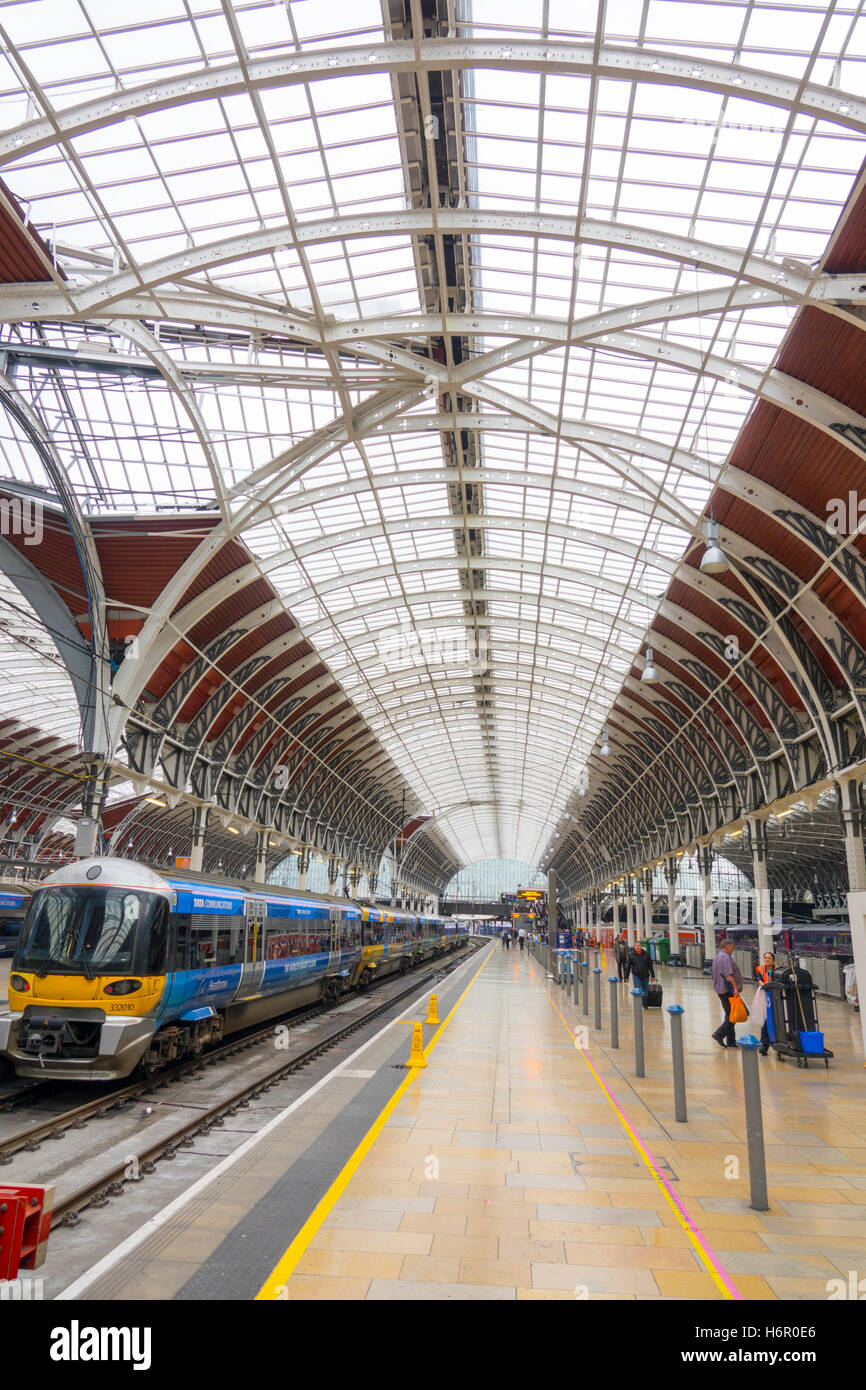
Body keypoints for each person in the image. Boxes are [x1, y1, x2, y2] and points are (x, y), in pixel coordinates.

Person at [711, 939, 744, 1049]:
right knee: (733, 1016)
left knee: (730, 1014)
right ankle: (719, 1034)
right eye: (732, 947)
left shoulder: (717, 956)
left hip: (720, 989)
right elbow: (729, 976)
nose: (733, 950)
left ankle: (731, 1041)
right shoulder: (725, 957)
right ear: (727, 946)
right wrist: (735, 989)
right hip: (727, 990)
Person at [755, 951, 775, 1055]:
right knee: (765, 1020)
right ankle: (764, 1044)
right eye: (765, 958)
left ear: (773, 960)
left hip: (774, 997)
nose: (767, 960)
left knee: (774, 1020)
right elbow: (759, 980)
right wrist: (764, 985)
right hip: (764, 996)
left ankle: (774, 1041)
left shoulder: (777, 970)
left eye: (769, 958)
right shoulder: (760, 969)